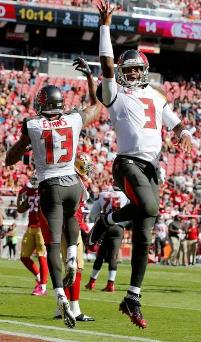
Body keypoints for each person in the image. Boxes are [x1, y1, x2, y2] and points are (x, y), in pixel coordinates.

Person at [88, 0, 193, 329]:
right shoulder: (115, 91)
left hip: (152, 169)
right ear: (122, 71)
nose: (132, 72)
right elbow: (106, 63)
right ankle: (108, 219)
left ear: (144, 71)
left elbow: (177, 124)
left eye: (136, 69)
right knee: (147, 206)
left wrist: (185, 134)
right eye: (127, 68)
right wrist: (105, 26)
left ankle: (132, 297)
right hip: (127, 163)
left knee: (146, 229)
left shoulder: (157, 95)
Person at [5, 57, 101, 329]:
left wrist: (21, 149)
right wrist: (90, 79)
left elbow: (11, 159)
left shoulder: (32, 125)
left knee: (51, 247)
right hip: (73, 184)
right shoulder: (72, 118)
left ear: (42, 104)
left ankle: (59, 294)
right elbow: (96, 106)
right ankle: (73, 254)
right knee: (71, 225)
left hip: (51, 185)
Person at [54, 152, 95, 322]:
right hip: (70, 229)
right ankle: (75, 309)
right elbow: (73, 211)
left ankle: (60, 307)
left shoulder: (69, 179)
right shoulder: (73, 181)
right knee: (75, 267)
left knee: (68, 267)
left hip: (65, 228)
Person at [85, 186, 128, 292]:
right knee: (113, 256)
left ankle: (92, 282)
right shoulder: (126, 196)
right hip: (118, 227)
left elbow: (94, 213)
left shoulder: (102, 194)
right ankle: (110, 284)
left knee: (100, 256)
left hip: (104, 225)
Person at [17, 171, 49, 296]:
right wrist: (20, 197)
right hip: (31, 226)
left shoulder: (46, 190)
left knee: (42, 256)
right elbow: (21, 208)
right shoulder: (29, 190)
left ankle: (43, 286)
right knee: (24, 257)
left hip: (42, 227)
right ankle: (39, 277)